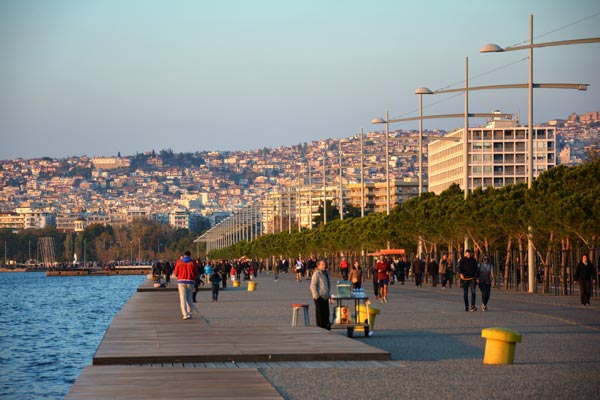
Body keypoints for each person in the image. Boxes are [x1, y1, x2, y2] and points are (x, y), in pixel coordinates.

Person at [174, 251, 198, 320]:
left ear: (184, 255)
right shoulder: (193, 263)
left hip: (181, 281)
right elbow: (196, 273)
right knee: (190, 298)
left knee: (182, 299)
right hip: (190, 281)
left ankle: (185, 314)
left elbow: (176, 273)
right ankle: (190, 313)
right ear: (190, 255)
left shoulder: (179, 262)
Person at [310, 259, 332, 330]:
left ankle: (326, 327)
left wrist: (329, 295)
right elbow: (313, 286)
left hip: (325, 296)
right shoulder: (316, 274)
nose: (324, 266)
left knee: (326, 313)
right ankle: (320, 328)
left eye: (324, 264)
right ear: (318, 265)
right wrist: (316, 296)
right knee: (320, 314)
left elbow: (328, 285)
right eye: (322, 264)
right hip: (319, 297)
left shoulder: (326, 273)